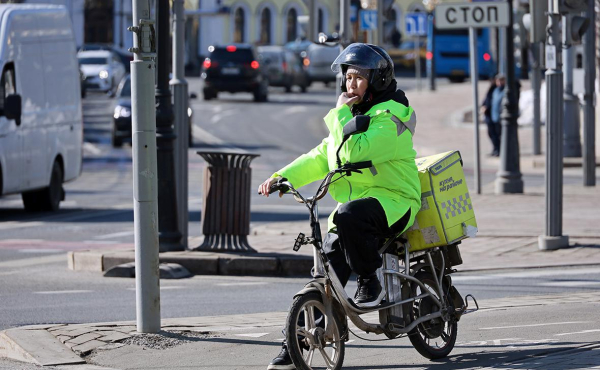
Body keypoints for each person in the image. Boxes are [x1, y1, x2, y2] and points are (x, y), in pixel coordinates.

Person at [258, 43, 421, 370]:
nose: (351, 85)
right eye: (348, 77)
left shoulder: (393, 117)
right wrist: (282, 176)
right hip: (358, 213)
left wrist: (339, 113)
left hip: (394, 202)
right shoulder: (354, 117)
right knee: (328, 272)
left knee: (347, 215)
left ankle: (369, 280)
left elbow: (354, 153)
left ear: (377, 79)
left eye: (359, 77)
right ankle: (296, 344)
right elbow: (322, 156)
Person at [481, 73, 506, 157]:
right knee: (492, 134)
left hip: (499, 117)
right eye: (498, 80)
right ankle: (495, 149)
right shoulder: (494, 90)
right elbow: (487, 100)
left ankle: (500, 150)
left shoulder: (505, 91)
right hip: (491, 116)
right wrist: (484, 106)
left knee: (499, 135)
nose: (499, 83)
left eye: (501, 80)